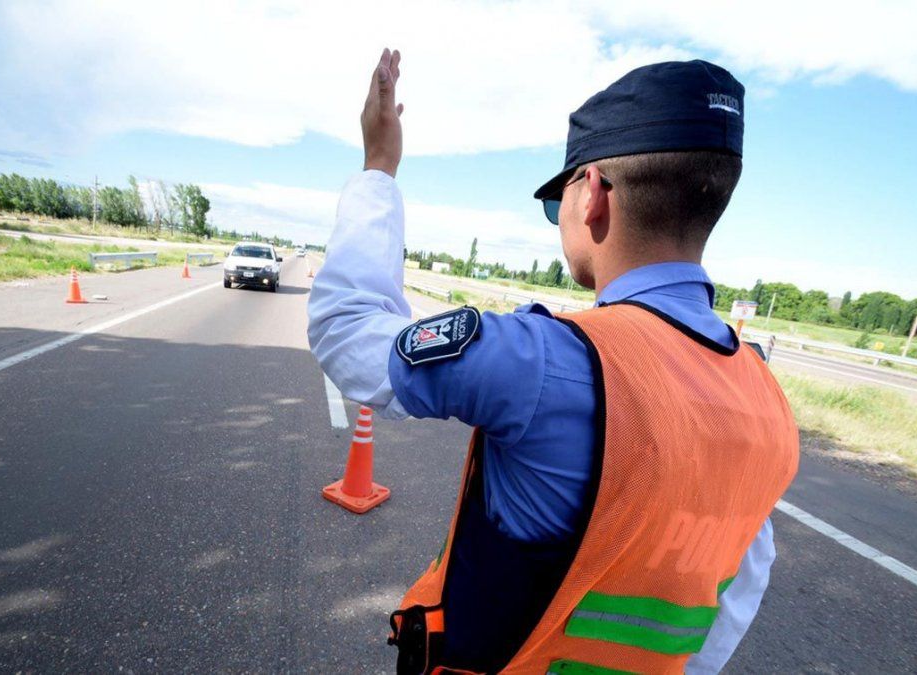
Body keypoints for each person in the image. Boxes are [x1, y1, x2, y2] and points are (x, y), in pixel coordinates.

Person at [307, 49, 799, 675]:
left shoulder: (546, 358)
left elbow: (347, 331)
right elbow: (732, 595)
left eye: (555, 199)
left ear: (592, 193)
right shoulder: (768, 404)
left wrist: (379, 167)